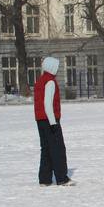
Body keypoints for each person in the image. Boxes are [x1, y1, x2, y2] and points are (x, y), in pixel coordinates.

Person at [34, 57, 73, 186]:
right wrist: (53, 123)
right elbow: (47, 104)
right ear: (51, 67)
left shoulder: (40, 81)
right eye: (56, 67)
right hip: (50, 120)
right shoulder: (50, 82)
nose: (58, 69)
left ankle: (44, 179)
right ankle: (62, 178)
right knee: (58, 148)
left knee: (45, 149)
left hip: (40, 120)